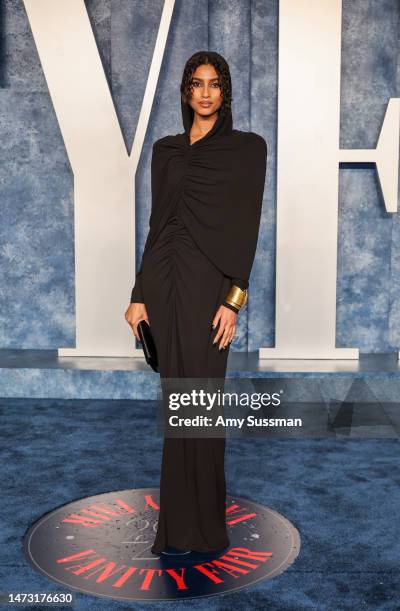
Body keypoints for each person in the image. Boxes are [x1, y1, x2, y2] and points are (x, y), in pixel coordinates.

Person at [124, 51, 267, 554]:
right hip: (165, 286)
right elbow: (156, 226)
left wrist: (233, 300)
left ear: (225, 92)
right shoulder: (166, 151)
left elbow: (247, 228)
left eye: (214, 84)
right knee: (177, 408)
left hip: (211, 290)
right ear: (185, 92)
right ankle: (178, 530)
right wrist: (139, 295)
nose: (204, 93)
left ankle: (206, 529)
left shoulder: (249, 150)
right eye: (195, 84)